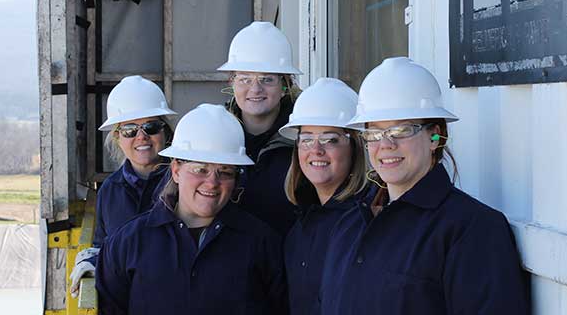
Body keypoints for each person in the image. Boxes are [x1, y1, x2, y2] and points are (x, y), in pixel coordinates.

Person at [318, 57, 530, 314]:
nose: (386, 145)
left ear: (435, 136)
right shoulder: (348, 225)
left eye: (401, 131)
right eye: (374, 133)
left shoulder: (471, 229)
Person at [95, 104, 288, 314]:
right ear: (176, 170)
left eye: (224, 172)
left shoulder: (262, 244)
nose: (212, 183)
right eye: (200, 169)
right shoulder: (128, 243)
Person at [69, 75, 177, 297]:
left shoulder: (183, 181)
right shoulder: (110, 190)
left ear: (165, 132)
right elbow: (103, 244)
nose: (142, 137)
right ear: (117, 137)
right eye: (130, 130)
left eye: (151, 126)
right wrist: (91, 262)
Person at [277, 78, 368, 315]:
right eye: (307, 139)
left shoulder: (367, 222)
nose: (316, 150)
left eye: (330, 140)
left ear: (355, 146)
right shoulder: (299, 228)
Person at [217, 21, 302, 235]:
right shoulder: (215, 133)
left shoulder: (305, 139)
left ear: (285, 85)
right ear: (232, 82)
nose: (255, 89)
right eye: (245, 79)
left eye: (267, 79)